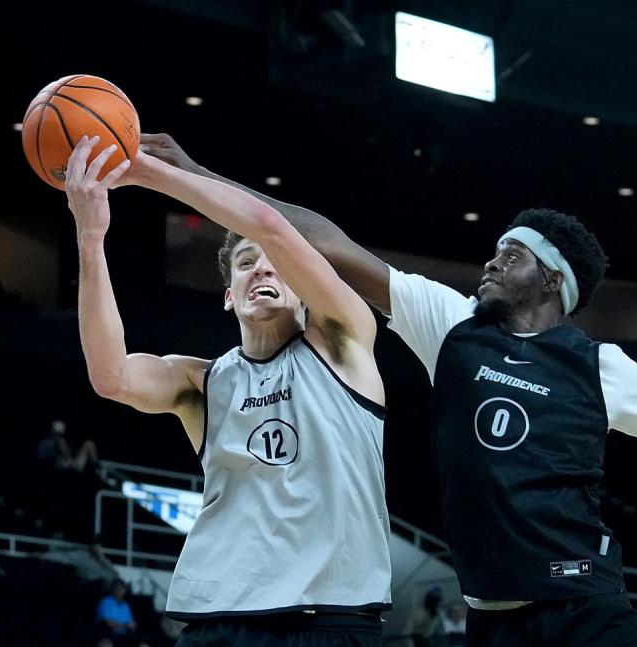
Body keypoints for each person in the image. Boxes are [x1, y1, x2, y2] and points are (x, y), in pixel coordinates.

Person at [142, 133, 637, 645]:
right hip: (490, 618)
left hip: (587, 608)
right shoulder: (451, 324)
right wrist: (209, 176)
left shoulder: (601, 367)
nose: (492, 257)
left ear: (551, 282)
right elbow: (331, 243)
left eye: (511, 253)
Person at [63, 136, 391, 646]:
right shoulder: (202, 381)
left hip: (331, 617)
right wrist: (90, 237)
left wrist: (155, 172)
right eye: (245, 264)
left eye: (275, 265)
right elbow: (111, 377)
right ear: (228, 298)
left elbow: (272, 227)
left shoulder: (347, 341)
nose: (261, 268)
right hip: (220, 619)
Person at [96, 579, 137, 644]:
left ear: (125, 590)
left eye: (121, 588)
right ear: (113, 589)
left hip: (124, 635)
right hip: (107, 634)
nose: (119, 590)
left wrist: (131, 626)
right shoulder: (105, 602)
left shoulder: (126, 606)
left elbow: (132, 624)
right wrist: (126, 625)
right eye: (117, 588)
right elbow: (108, 623)